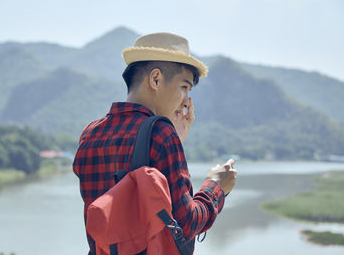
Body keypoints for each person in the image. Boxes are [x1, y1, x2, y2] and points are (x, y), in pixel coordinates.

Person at [73, 32, 238, 254]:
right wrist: (216, 186)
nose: (186, 102)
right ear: (156, 79)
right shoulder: (161, 134)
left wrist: (175, 141)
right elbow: (187, 223)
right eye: (184, 87)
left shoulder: (90, 133)